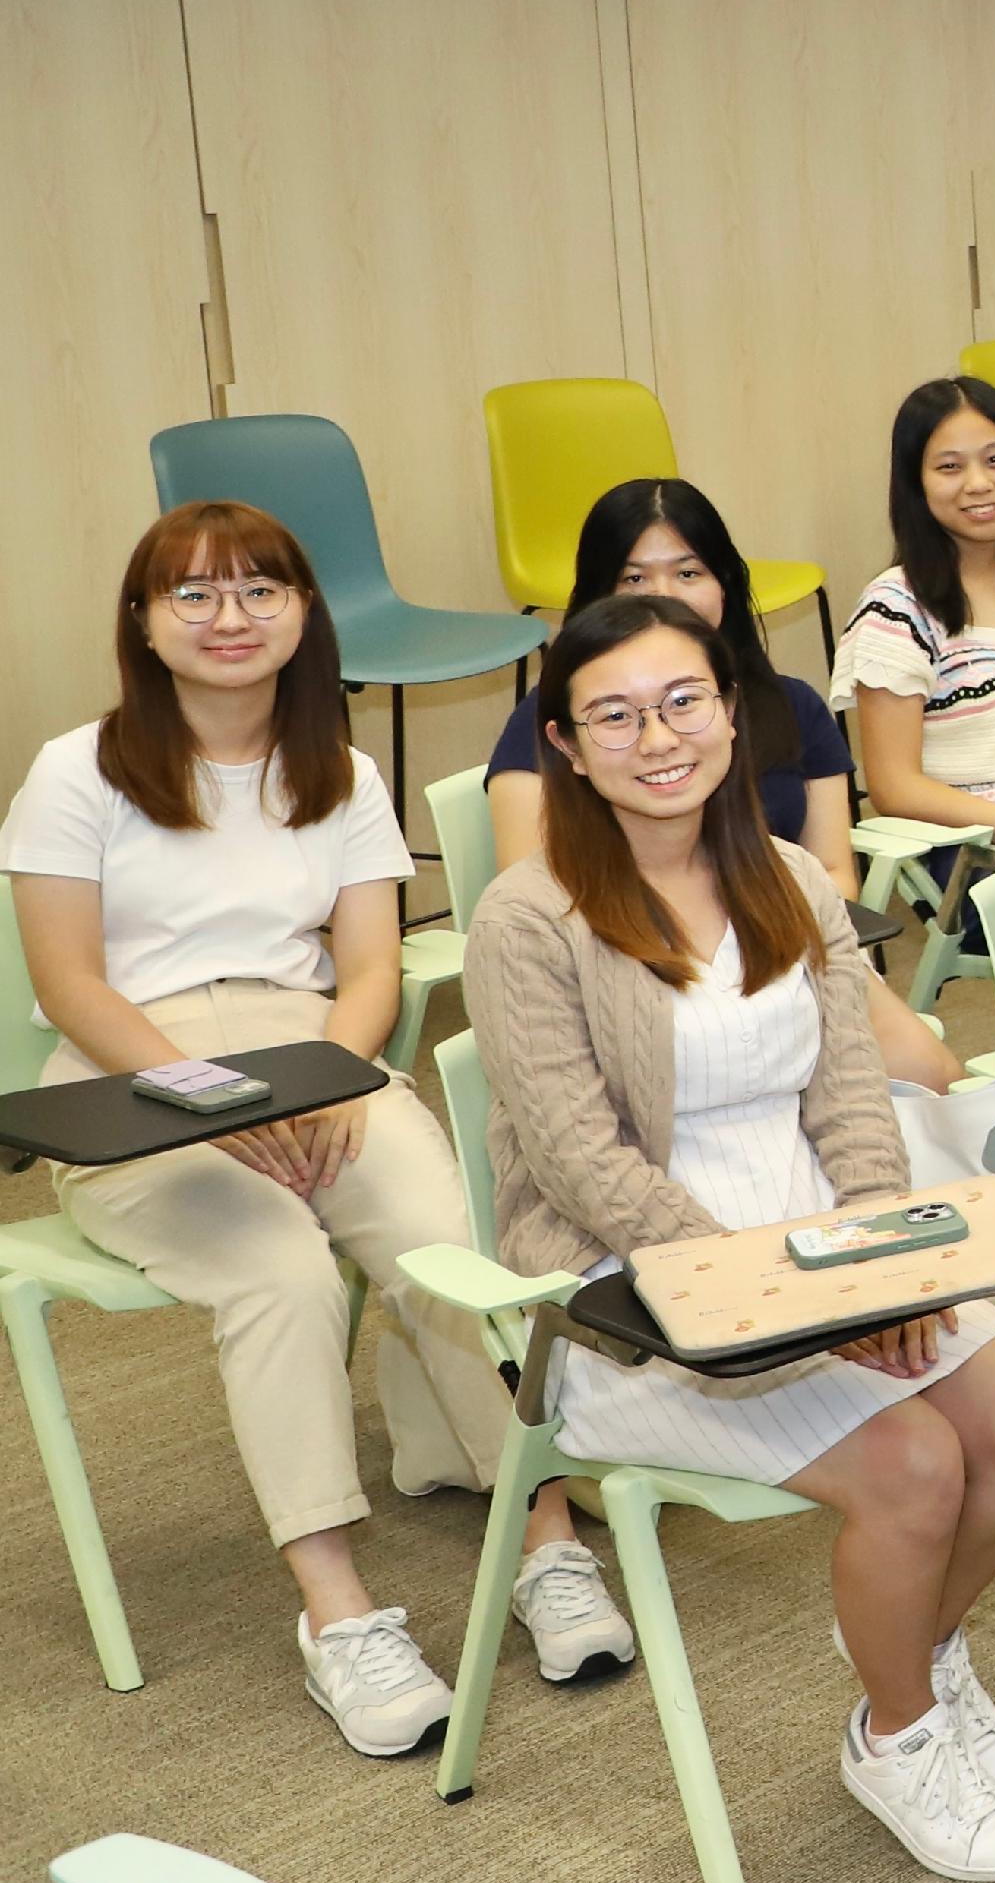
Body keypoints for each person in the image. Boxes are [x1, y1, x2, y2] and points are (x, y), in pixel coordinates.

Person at [469, 593, 995, 1881]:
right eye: (616, 715)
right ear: (567, 746)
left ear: (731, 711)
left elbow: (853, 1095)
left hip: (825, 1247)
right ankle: (897, 1728)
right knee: (915, 1466)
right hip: (636, 1294)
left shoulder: (791, 875)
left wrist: (878, 1254)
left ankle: (910, 1636)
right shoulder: (527, 918)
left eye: (685, 700)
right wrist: (795, 1300)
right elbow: (586, 1163)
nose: (658, 736)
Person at [5, 503, 608, 1752]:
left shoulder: (343, 767)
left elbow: (373, 970)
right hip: (131, 1078)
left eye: (260, 590)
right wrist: (217, 1103)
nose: (231, 617)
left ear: (303, 612)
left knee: (444, 1243)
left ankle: (541, 1538)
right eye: (196, 594)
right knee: (280, 1267)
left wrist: (326, 1081)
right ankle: (339, 1616)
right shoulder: (79, 767)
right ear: (143, 622)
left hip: (314, 1061)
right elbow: (69, 985)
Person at [486, 479, 852, 882]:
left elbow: (835, 874)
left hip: (781, 931)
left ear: (725, 586)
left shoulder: (793, 704)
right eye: (634, 579)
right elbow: (528, 894)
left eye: (688, 572)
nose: (665, 596)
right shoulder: (546, 721)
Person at [835, 377, 995, 845]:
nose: (979, 484)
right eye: (950, 467)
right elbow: (894, 787)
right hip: (976, 849)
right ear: (916, 483)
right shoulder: (895, 610)